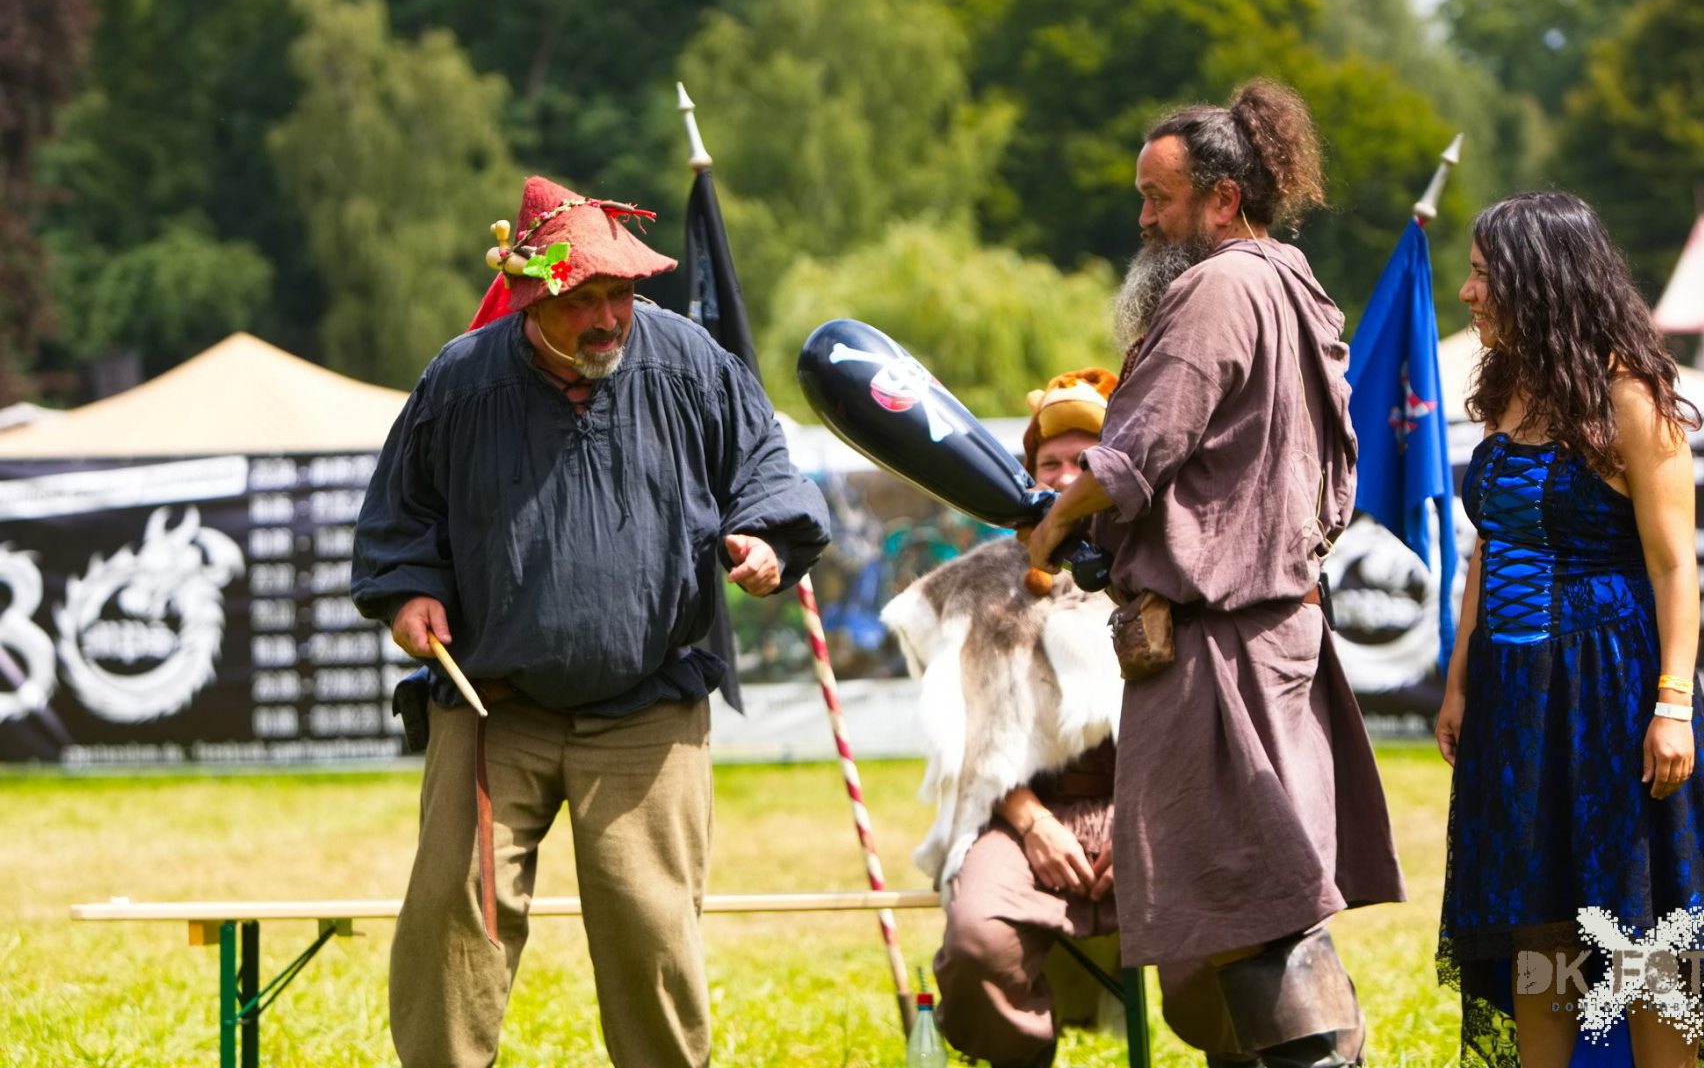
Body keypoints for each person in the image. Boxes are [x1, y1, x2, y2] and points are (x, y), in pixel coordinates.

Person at [351, 174, 830, 1067]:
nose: (610, 317)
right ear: (533, 298)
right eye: (585, 298)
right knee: (454, 922)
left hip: (648, 704)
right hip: (494, 707)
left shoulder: (690, 363)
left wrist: (766, 541)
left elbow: (767, 469)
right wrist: (410, 593)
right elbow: (400, 516)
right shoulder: (459, 381)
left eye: (622, 293)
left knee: (653, 931)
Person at [1026, 78, 1406, 1068]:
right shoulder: (1296, 283)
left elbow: (1132, 453)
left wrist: (1053, 520)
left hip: (1221, 649)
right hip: (1276, 632)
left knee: (1253, 912)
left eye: (1159, 199)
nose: (1144, 221)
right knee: (1265, 904)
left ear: (1223, 198)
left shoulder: (1217, 288)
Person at [1433, 191, 1704, 1067]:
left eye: (1483, 275)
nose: (1467, 292)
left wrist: (1673, 704)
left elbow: (1675, 566)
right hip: (1513, 694)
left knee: (1641, 922)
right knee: (1537, 918)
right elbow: (1491, 548)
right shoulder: (1507, 388)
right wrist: (1460, 681)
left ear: (1539, 282)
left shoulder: (1631, 399)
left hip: (1610, 689)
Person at [884, 368, 1124, 1068]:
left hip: (1155, 810)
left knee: (1227, 928)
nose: (1066, 476)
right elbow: (968, 741)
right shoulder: (979, 583)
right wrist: (1033, 822)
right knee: (977, 943)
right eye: (1050, 464)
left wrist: (1141, 822)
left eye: (1085, 462)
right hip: (1019, 814)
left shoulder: (1161, 566)